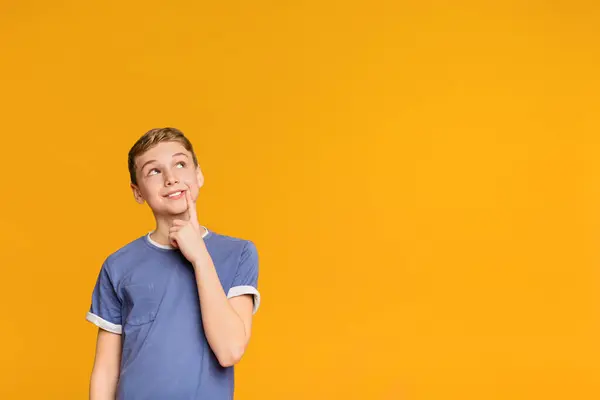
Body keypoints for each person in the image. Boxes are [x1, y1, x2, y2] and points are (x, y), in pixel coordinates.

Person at [86, 127, 260, 399]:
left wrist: (199, 255)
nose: (171, 178)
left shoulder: (238, 253)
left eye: (180, 164)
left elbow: (230, 350)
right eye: (154, 171)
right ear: (137, 192)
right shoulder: (118, 265)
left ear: (198, 175)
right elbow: (106, 369)